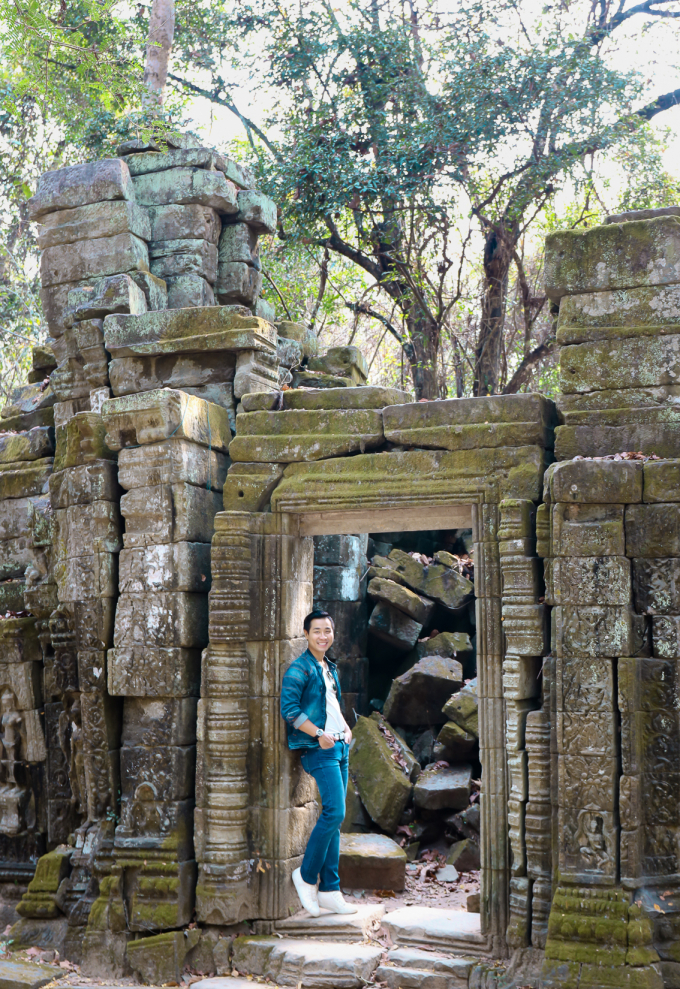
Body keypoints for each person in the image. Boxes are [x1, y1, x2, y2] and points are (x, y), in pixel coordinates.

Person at [280, 609, 358, 917]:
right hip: (320, 749)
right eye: (317, 631)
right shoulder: (299, 669)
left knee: (335, 820)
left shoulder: (329, 667)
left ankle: (330, 890)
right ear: (306, 635)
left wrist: (346, 729)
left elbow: (332, 705)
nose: (323, 636)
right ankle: (306, 875)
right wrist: (318, 734)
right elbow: (289, 708)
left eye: (328, 630)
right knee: (335, 812)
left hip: (340, 745)